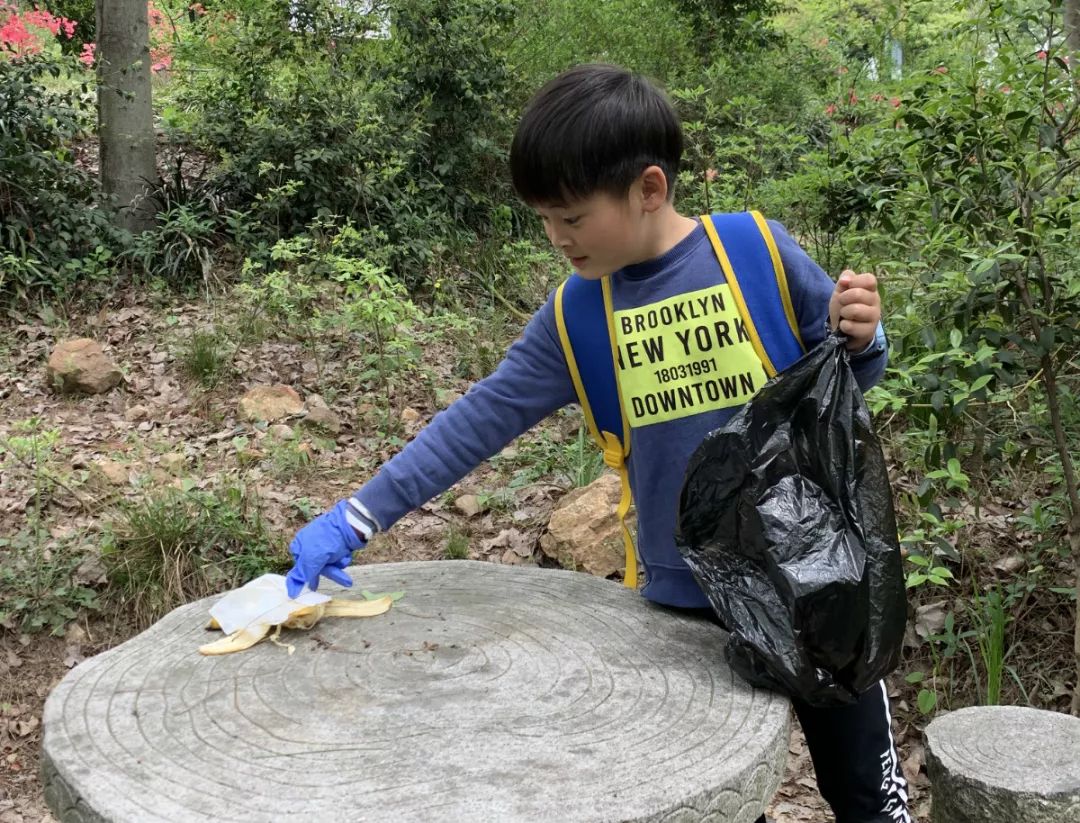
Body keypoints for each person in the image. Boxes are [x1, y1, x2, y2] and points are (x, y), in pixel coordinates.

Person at [285, 63, 910, 823]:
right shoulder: (579, 315)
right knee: (709, 803)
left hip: (819, 587)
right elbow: (480, 418)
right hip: (684, 609)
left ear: (649, 189)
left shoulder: (754, 252)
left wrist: (865, 333)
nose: (556, 237)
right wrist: (358, 515)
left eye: (572, 218)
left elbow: (844, 378)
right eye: (544, 219)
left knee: (870, 802)